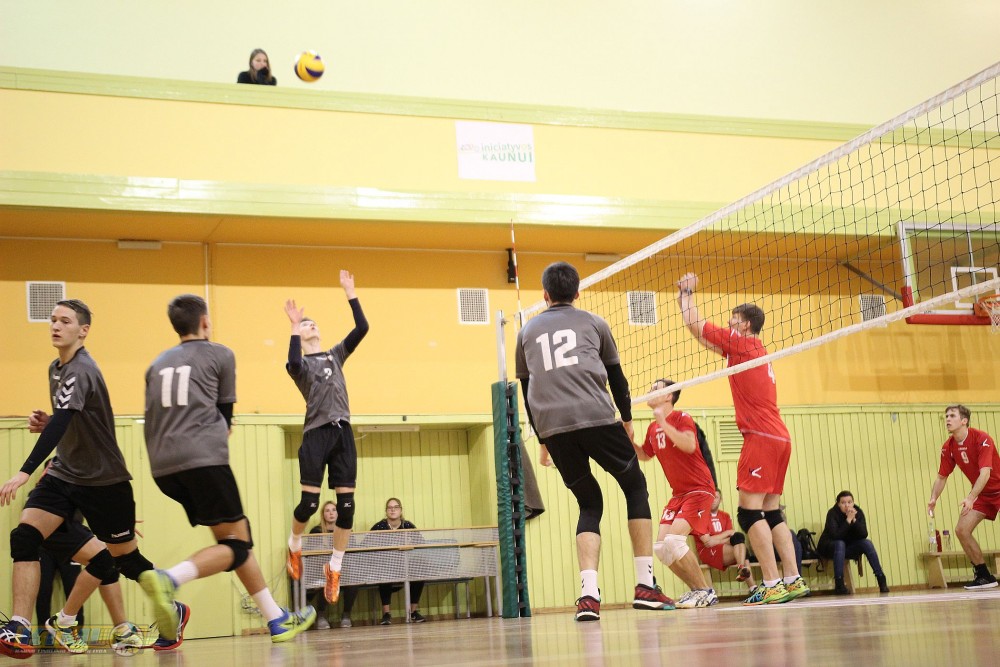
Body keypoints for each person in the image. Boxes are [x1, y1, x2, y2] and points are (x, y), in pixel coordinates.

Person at [138, 294, 315, 645]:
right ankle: (169, 579)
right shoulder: (221, 354)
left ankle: (276, 619)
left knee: (235, 538)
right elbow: (225, 417)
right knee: (237, 545)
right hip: (203, 459)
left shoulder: (155, 365)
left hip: (162, 467)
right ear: (205, 322)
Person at [0, 299, 171, 658]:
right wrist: (50, 424)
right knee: (25, 537)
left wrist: (24, 470)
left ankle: (171, 608)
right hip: (65, 474)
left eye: (65, 321)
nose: (55, 326)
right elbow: (70, 420)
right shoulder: (56, 368)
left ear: (84, 330)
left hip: (103, 480)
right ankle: (19, 627)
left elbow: (66, 420)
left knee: (123, 561)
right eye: (53, 320)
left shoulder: (81, 369)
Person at [515, 262, 674, 621]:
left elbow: (527, 390)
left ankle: (588, 596)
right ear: (577, 292)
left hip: (553, 427)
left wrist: (542, 439)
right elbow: (617, 379)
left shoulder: (525, 332)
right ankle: (645, 585)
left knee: (589, 503)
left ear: (545, 295)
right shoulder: (595, 323)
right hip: (597, 417)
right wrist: (627, 421)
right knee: (635, 487)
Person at [676, 272, 809, 605]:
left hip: (760, 436)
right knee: (772, 511)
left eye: (733, 319)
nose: (728, 322)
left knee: (749, 515)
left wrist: (686, 293)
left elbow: (697, 325)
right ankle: (792, 578)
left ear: (746, 325)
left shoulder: (743, 343)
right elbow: (704, 340)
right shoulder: (751, 350)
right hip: (779, 437)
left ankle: (772, 582)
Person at [284, 270, 370, 608]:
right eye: (307, 325)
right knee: (309, 505)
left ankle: (334, 567)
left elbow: (362, 328)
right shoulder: (301, 365)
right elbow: (293, 362)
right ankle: (294, 545)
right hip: (316, 435)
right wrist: (294, 326)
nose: (312, 326)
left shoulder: (335, 354)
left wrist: (351, 293)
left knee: (347, 509)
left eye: (313, 323)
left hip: (342, 432)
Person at [634, 379, 718, 608]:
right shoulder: (653, 428)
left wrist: (664, 422)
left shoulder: (682, 418)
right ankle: (696, 590)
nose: (649, 391)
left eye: (655, 388)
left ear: (669, 395)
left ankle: (706, 591)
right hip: (679, 494)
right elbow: (645, 455)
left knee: (674, 540)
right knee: (661, 548)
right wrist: (627, 437)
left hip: (699, 489)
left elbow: (690, 445)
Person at [927, 404, 1000, 590]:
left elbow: (985, 473)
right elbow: (941, 477)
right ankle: (984, 575)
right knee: (961, 530)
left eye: (952, 415)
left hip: (995, 489)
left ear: (964, 421)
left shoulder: (982, 439)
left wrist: (970, 497)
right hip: (982, 495)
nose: (948, 419)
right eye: (946, 416)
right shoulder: (948, 447)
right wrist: (933, 498)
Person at [366, 498, 427, 625]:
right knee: (384, 571)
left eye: (396, 507)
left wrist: (411, 545)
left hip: (406, 567)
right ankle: (386, 614)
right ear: (386, 511)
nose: (393, 510)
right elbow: (366, 545)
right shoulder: (378, 527)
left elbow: (421, 544)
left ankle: (413, 612)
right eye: (390, 507)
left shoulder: (408, 526)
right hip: (385, 566)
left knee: (420, 570)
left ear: (401, 510)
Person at [817, 491, 889, 594]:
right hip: (830, 547)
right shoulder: (832, 513)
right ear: (838, 504)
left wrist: (854, 520)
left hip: (847, 548)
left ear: (853, 503)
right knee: (840, 544)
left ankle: (881, 579)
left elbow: (864, 534)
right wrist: (848, 520)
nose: (847, 505)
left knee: (867, 543)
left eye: (849, 502)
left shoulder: (858, 512)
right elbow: (836, 536)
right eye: (843, 503)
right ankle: (839, 584)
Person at [691, 489, 756, 591]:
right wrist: (726, 534)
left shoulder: (725, 516)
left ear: (720, 500)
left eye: (716, 497)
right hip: (707, 551)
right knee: (743, 551)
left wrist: (715, 540)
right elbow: (707, 542)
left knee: (738, 538)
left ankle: (743, 572)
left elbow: (731, 535)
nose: (713, 500)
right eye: (711, 497)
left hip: (723, 548)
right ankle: (752, 586)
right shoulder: (700, 516)